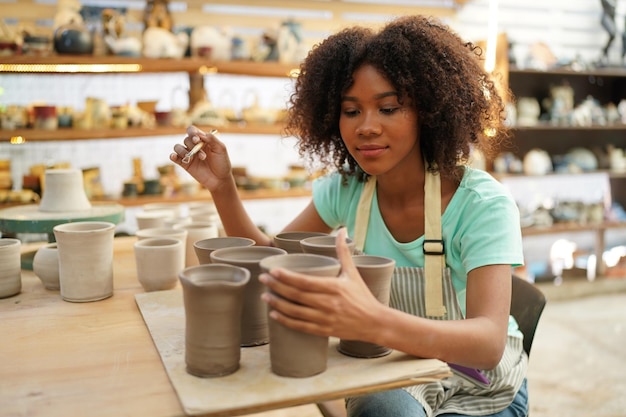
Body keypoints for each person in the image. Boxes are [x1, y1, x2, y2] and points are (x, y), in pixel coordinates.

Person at [170, 15, 528, 417]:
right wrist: (223, 188)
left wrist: (373, 323)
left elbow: (487, 342)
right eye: (351, 111)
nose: (367, 127)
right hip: (393, 365)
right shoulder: (347, 189)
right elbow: (271, 262)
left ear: (429, 111)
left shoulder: (481, 205)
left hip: (479, 385)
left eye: (389, 108)